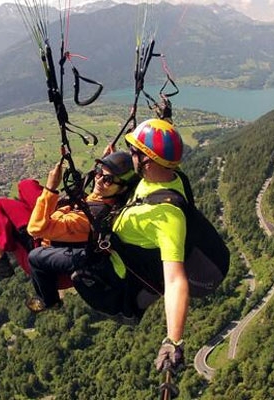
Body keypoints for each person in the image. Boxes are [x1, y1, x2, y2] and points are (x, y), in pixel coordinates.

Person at [73, 118, 189, 374]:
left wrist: (174, 340)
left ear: (147, 160)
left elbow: (175, 280)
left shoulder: (168, 216)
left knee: (65, 266)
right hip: (119, 253)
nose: (130, 156)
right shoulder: (163, 177)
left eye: (133, 153)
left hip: (120, 278)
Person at [24, 151, 137, 313]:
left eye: (108, 179)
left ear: (122, 188)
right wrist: (108, 158)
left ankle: (50, 301)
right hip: (88, 240)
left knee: (35, 257)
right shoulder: (106, 197)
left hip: (88, 257)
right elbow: (102, 185)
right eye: (99, 172)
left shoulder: (90, 215)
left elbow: (35, 229)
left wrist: (50, 188)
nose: (99, 179)